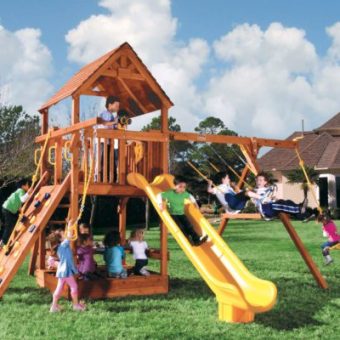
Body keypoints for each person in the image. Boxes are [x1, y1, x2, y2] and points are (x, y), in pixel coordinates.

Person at [157, 176, 208, 246]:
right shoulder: (170, 193)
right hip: (173, 215)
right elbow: (159, 195)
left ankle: (196, 240)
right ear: (175, 186)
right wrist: (160, 204)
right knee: (181, 227)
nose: (182, 189)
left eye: (184, 187)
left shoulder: (184, 194)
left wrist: (195, 203)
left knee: (189, 226)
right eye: (180, 187)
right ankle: (187, 240)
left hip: (181, 214)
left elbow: (190, 196)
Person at [50, 228, 85, 312]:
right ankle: (75, 305)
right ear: (60, 239)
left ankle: (54, 306)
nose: (65, 235)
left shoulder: (61, 246)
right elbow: (69, 236)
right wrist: (70, 225)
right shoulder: (63, 245)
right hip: (65, 271)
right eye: (63, 234)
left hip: (62, 271)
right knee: (74, 286)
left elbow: (68, 237)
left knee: (59, 288)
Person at [1, 178, 32, 246]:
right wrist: (28, 193)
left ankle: (9, 240)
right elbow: (23, 199)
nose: (28, 186)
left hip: (8, 209)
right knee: (9, 225)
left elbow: (18, 204)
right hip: (8, 209)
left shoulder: (19, 191)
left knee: (17, 221)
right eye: (27, 185)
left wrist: (21, 213)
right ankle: (3, 241)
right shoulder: (21, 191)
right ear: (23, 186)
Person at [96, 96, 120, 182]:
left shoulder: (111, 115)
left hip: (109, 142)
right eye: (116, 105)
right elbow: (105, 123)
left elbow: (112, 126)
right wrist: (115, 122)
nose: (118, 108)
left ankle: (110, 178)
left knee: (109, 160)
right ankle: (101, 178)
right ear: (110, 105)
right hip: (103, 141)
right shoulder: (106, 113)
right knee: (103, 160)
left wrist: (118, 125)